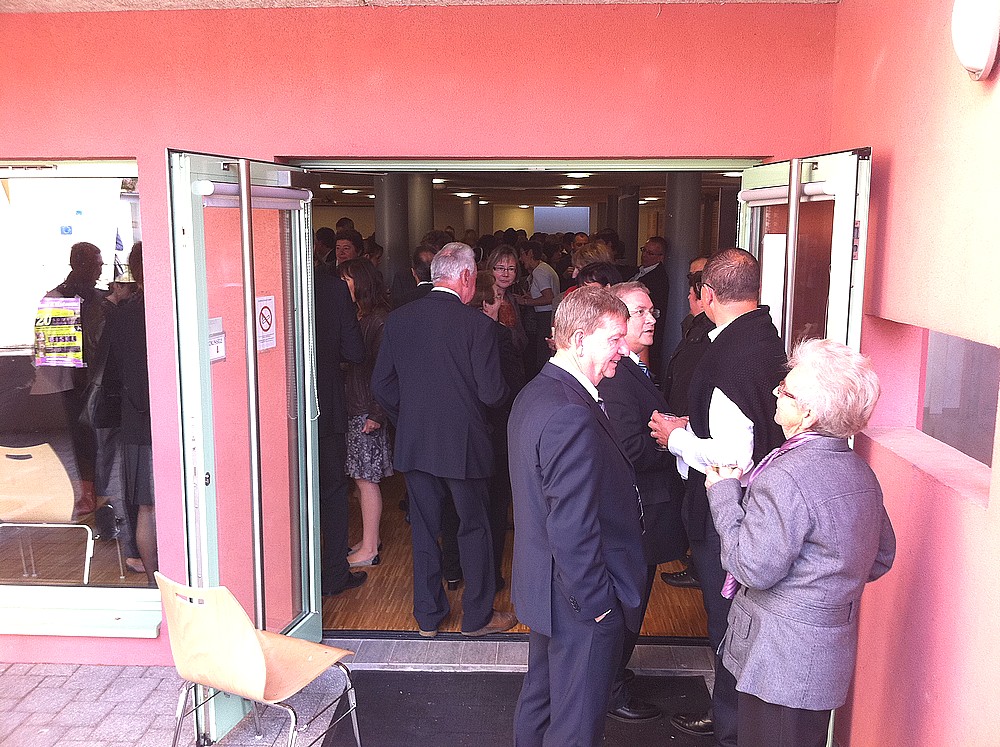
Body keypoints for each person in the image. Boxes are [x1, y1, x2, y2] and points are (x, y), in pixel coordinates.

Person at [705, 338, 895, 747]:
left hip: (779, 659)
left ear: (808, 412)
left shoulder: (786, 475)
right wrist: (825, 588)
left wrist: (722, 494)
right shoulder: (860, 473)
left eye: (785, 389)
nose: (775, 391)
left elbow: (751, 567)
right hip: (826, 654)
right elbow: (880, 556)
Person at [649, 248, 786, 746]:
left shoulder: (729, 356)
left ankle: (730, 725)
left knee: (726, 622)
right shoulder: (765, 336)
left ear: (707, 295)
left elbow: (732, 456)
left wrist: (676, 439)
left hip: (732, 511)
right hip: (764, 503)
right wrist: (698, 426)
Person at [509, 286, 647, 747]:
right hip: (578, 600)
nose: (623, 350)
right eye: (615, 339)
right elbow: (572, 526)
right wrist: (599, 607)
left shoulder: (537, 393)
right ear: (579, 339)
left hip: (547, 588)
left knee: (543, 702)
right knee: (575, 728)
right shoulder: (570, 412)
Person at [372, 242, 514, 637]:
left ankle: (428, 617)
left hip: (415, 443)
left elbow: (381, 385)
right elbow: (491, 394)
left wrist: (408, 419)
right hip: (465, 444)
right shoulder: (478, 326)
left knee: (423, 529)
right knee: (475, 528)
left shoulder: (398, 319)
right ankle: (477, 617)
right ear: (466, 277)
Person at [598, 281, 687, 723]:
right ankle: (610, 688)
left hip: (645, 508)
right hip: (639, 512)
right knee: (628, 605)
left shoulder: (633, 367)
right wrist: (675, 444)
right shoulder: (617, 377)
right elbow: (630, 449)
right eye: (640, 312)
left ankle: (612, 677)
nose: (651, 319)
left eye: (652, 311)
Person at [33, 241, 107, 518]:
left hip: (97, 380)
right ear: (81, 264)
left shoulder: (98, 297)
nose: (101, 269)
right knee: (84, 440)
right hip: (76, 384)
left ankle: (95, 494)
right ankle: (89, 493)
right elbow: (50, 351)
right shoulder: (59, 298)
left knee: (95, 442)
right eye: (97, 264)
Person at [103, 242, 157, 584]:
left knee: (147, 508)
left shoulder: (122, 316)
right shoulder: (175, 309)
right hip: (178, 420)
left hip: (136, 422)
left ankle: (154, 583)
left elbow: (109, 373)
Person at [313, 255, 366, 596]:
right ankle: (333, 574)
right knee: (332, 491)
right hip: (326, 403)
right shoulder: (333, 289)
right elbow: (355, 351)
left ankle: (290, 581)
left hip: (274, 406)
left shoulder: (266, 281)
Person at [340, 258, 393, 569]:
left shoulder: (378, 320)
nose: (342, 285)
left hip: (366, 409)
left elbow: (385, 372)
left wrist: (376, 412)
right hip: (359, 406)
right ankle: (370, 539)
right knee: (361, 477)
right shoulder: (361, 316)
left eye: (346, 280)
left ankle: (370, 548)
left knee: (365, 479)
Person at [514, 241, 559, 378]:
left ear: (530, 253)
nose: (520, 259)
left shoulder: (539, 271)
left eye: (522, 254)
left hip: (544, 316)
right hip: (548, 315)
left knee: (542, 355)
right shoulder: (545, 268)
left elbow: (549, 297)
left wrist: (525, 301)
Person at [631, 237, 670, 379]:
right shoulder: (639, 271)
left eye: (651, 253)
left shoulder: (657, 279)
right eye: (644, 250)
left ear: (661, 257)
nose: (645, 255)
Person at [484, 244, 528, 355]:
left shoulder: (511, 299)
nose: (506, 274)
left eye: (511, 269)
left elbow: (522, 338)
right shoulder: (482, 299)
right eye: (500, 268)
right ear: (490, 269)